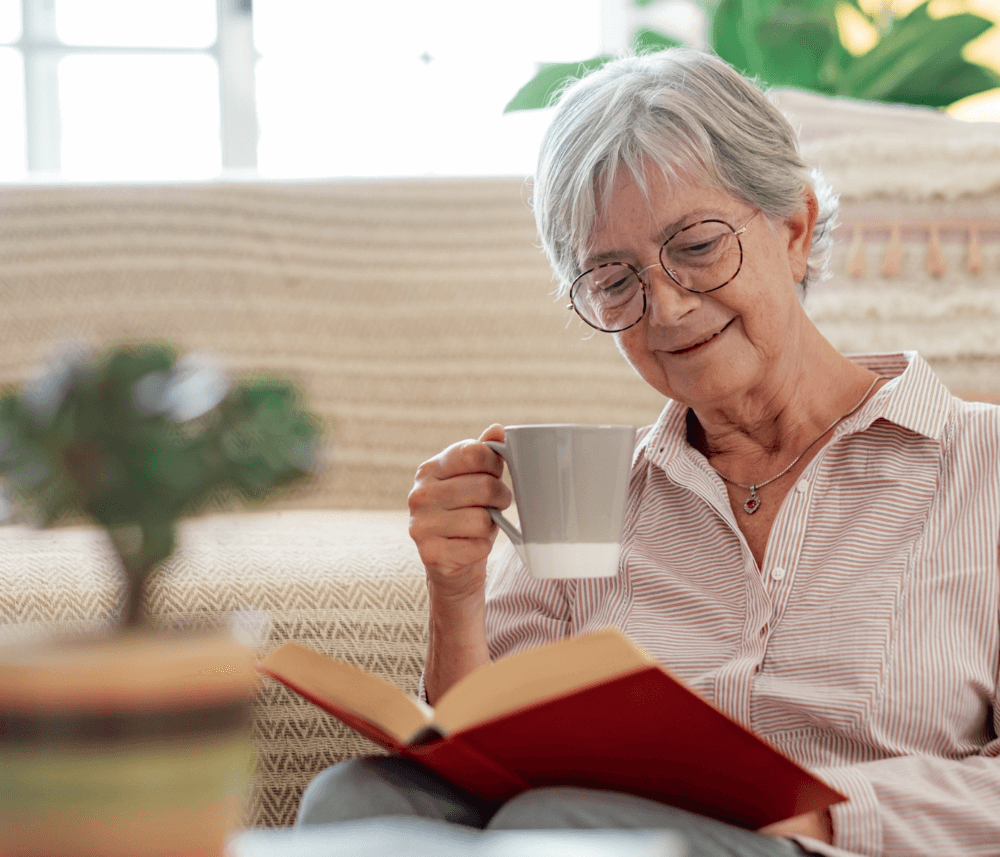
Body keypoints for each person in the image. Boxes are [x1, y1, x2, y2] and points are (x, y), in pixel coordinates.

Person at [297, 48, 1000, 857]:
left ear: (795, 229)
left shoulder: (980, 463)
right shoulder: (597, 489)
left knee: (554, 831)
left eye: (697, 245)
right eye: (614, 278)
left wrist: (825, 813)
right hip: (593, 831)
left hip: (819, 846)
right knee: (354, 799)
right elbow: (484, 755)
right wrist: (455, 591)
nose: (664, 306)